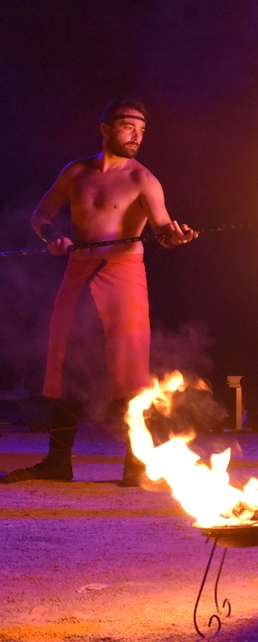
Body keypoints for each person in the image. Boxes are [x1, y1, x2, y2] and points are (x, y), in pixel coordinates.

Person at [2, 100, 198, 486]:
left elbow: (161, 229)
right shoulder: (76, 172)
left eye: (142, 130)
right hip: (78, 272)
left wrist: (174, 237)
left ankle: (136, 466)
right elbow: (40, 215)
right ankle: (58, 463)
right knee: (66, 362)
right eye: (128, 126)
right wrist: (52, 236)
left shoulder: (144, 180)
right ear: (105, 129)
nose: (137, 135)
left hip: (123, 274)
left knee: (129, 368)